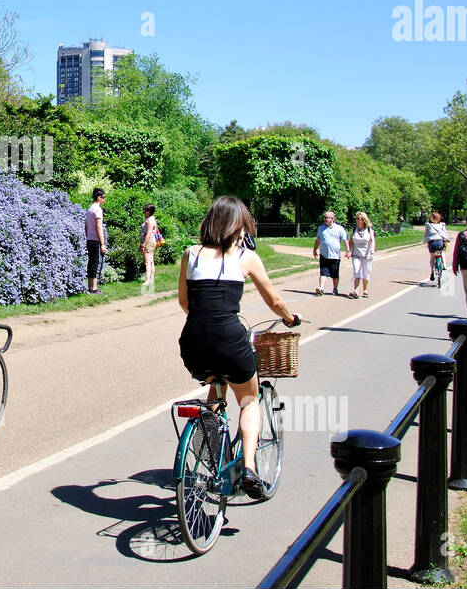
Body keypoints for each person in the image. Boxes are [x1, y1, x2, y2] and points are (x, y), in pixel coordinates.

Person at [178, 195, 300, 501]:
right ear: (239, 226)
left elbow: (184, 302)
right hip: (229, 338)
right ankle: (249, 469)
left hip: (193, 339)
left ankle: (211, 456)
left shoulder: (190, 254)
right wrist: (290, 318)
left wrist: (204, 322)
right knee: (248, 399)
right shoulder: (246, 258)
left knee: (215, 389)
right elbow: (275, 301)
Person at [312, 210, 351, 296]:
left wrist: (348, 251)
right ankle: (321, 288)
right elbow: (318, 239)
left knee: (335, 274)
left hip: (335, 256)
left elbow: (344, 240)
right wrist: (314, 249)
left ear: (332, 218)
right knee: (323, 272)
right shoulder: (321, 228)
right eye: (324, 217)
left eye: (326, 217)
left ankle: (335, 288)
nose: (324, 219)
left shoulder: (339, 228)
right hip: (324, 255)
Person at [349, 211, 376, 299]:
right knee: (357, 271)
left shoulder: (369, 230)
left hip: (367, 254)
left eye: (359, 219)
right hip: (356, 254)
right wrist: (349, 250)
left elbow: (372, 240)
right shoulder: (354, 229)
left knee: (366, 272)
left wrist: (372, 249)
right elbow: (351, 241)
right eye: (357, 219)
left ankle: (365, 290)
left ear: (364, 220)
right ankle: (356, 291)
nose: (357, 221)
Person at [85, 188, 107, 295]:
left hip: (89, 239)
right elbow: (99, 227)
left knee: (91, 263)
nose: (104, 199)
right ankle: (94, 288)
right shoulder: (98, 210)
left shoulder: (89, 209)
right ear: (99, 198)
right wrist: (102, 244)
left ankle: (90, 287)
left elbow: (86, 226)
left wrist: (87, 236)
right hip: (95, 240)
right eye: (103, 197)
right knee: (96, 263)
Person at [139, 203, 164, 287]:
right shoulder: (152, 219)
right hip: (151, 241)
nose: (144, 211)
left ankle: (148, 280)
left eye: (145, 210)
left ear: (149, 211)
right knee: (151, 261)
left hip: (149, 241)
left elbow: (149, 233)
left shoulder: (150, 220)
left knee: (147, 262)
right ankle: (151, 279)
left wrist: (143, 244)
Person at [424, 211, 450, 282]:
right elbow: (445, 233)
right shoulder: (442, 225)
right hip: (440, 242)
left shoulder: (428, 225)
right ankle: (444, 265)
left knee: (432, 257)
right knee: (442, 252)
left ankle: (432, 272)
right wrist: (447, 239)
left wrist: (425, 241)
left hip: (432, 242)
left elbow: (426, 234)